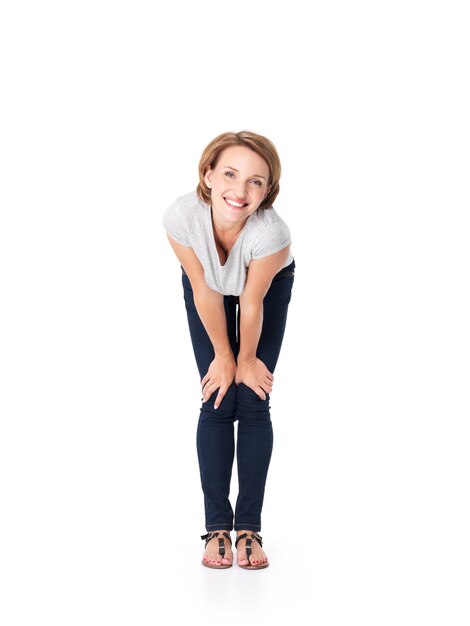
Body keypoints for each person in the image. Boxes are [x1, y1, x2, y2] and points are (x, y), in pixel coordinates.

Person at [162, 130, 295, 570]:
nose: (240, 191)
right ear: (208, 175)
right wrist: (223, 355)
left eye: (256, 181)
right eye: (231, 175)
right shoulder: (181, 217)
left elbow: (252, 303)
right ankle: (218, 527)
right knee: (216, 396)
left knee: (253, 399)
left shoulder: (270, 233)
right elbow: (203, 287)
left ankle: (250, 530)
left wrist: (246, 360)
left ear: (267, 191)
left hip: (264, 289)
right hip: (207, 291)